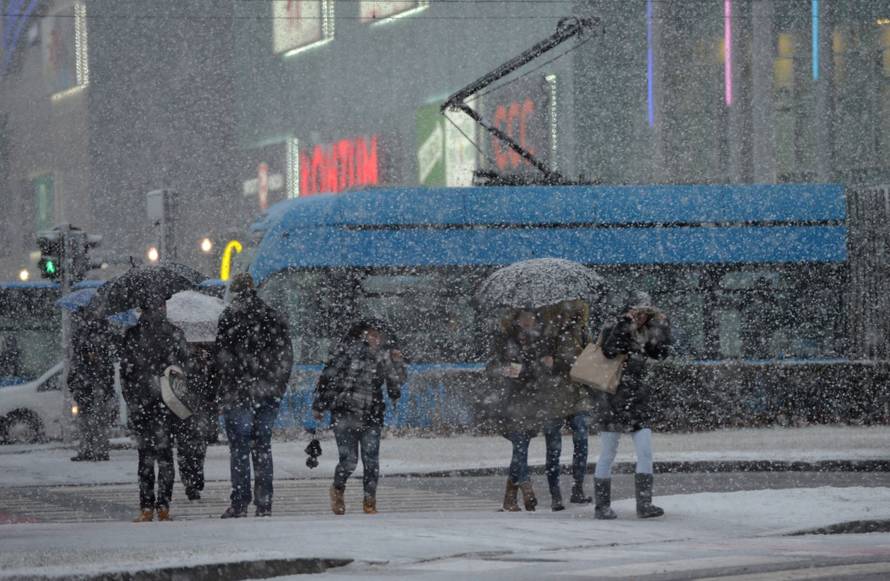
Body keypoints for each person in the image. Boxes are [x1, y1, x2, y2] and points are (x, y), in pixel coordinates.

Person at [216, 273, 293, 518]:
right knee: (262, 447)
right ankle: (264, 503)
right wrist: (275, 386)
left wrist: (225, 388)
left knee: (239, 448)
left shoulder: (229, 317)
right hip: (267, 393)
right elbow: (285, 357)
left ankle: (239, 502)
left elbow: (222, 358)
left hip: (238, 393)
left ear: (236, 292)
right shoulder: (273, 316)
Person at [312, 320, 406, 515]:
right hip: (345, 413)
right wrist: (320, 405)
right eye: (371, 334)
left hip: (371, 415)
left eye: (378, 335)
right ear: (362, 336)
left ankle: (369, 500)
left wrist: (397, 362)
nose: (375, 339)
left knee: (371, 461)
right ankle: (338, 489)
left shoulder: (383, 357)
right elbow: (328, 377)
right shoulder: (346, 353)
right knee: (349, 461)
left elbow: (396, 381)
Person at [593, 291, 672, 520]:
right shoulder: (615, 327)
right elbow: (609, 350)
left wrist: (664, 326)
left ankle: (644, 504)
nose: (640, 317)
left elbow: (661, 353)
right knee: (608, 454)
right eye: (637, 312)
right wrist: (625, 322)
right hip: (612, 399)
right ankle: (602, 507)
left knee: (645, 451)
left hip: (637, 399)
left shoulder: (647, 332)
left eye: (644, 313)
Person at [119, 298, 189, 522]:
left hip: (142, 403)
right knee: (166, 455)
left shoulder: (133, 335)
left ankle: (146, 506)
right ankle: (163, 506)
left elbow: (125, 373)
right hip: (167, 403)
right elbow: (184, 369)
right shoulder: (174, 333)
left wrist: (132, 400)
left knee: (145, 457)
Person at [487, 309, 550, 512]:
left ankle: (509, 499)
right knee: (520, 446)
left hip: (532, 402)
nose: (527, 321)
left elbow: (544, 369)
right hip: (510, 403)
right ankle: (526, 487)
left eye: (531, 317)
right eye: (523, 317)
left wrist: (526, 370)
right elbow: (491, 367)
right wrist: (505, 370)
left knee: (520, 448)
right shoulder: (505, 340)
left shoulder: (540, 341)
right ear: (516, 319)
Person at [538, 300, 595, 511]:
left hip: (577, 393)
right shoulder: (548, 332)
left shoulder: (582, 331)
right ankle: (556, 494)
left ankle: (577, 488)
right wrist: (569, 363)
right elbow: (545, 364)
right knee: (554, 446)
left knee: (581, 439)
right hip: (553, 395)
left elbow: (591, 358)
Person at [69, 313, 118, 462]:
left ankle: (93, 450)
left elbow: (74, 373)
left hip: (92, 391)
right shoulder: (92, 345)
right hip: (92, 391)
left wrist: (76, 386)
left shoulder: (90, 346)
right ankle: (95, 450)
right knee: (92, 423)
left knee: (92, 423)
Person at [174, 342, 220, 501]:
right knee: (185, 447)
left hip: (203, 407)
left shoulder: (211, 354)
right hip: (184, 407)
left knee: (199, 446)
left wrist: (208, 362)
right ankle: (189, 482)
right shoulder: (180, 353)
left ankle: (196, 476)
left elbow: (215, 381)